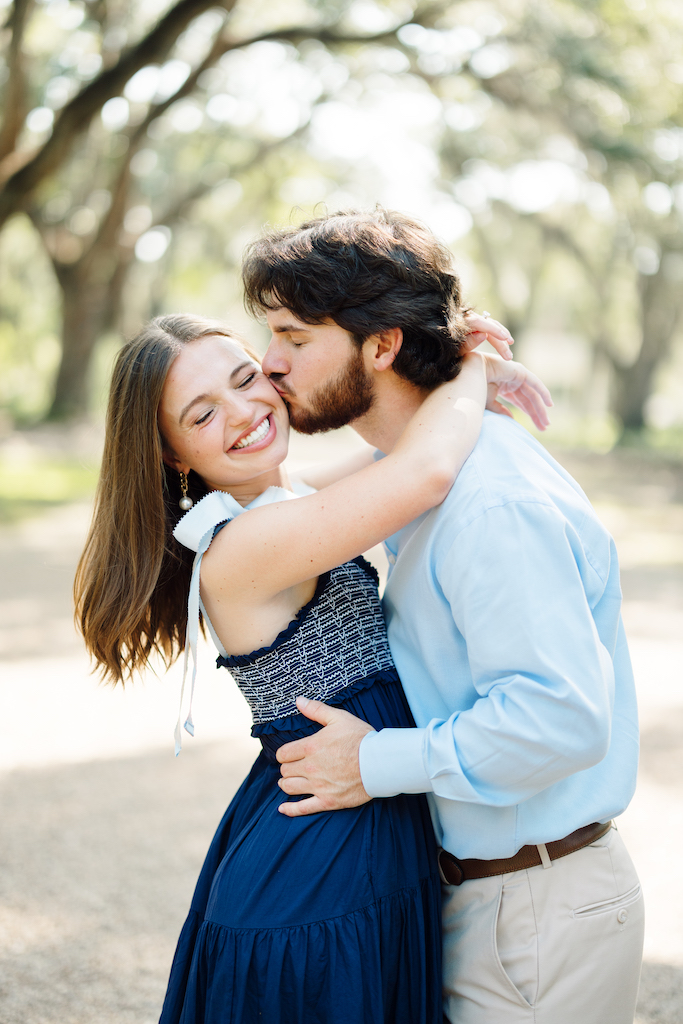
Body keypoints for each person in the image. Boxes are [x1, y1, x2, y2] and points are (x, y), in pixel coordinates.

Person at [74, 312, 551, 1024]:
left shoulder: (280, 496)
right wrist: (472, 366)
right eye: (202, 414)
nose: (243, 412)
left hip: (350, 827)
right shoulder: (244, 545)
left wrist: (438, 360)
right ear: (172, 454)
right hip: (320, 865)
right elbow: (422, 473)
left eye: (245, 378)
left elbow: (397, 448)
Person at [241, 207, 645, 1024]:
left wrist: (372, 764)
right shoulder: (419, 468)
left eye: (293, 337)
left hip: (533, 912)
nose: (269, 363)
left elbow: (558, 718)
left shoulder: (489, 504)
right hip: (487, 898)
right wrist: (465, 376)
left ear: (381, 345)